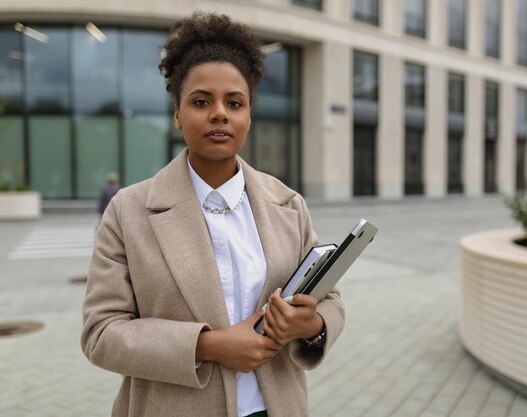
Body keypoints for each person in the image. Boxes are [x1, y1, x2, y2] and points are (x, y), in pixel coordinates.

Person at [81, 11, 344, 417]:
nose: (219, 113)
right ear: (177, 114)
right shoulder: (128, 212)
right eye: (201, 101)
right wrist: (208, 346)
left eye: (234, 103)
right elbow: (101, 334)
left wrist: (311, 326)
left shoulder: (288, 204)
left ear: (249, 116)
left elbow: (330, 300)